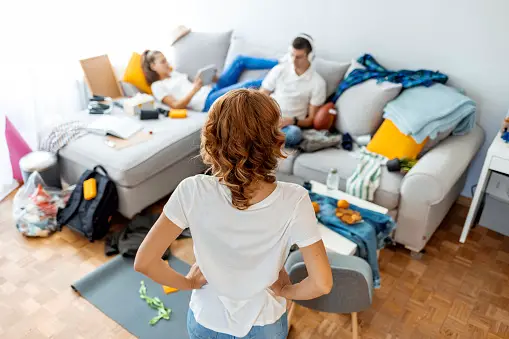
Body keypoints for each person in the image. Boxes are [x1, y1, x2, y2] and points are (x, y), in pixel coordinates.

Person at [134, 89, 333, 339]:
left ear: (212, 138)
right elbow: (322, 283)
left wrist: (189, 283)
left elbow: (144, 262)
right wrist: (285, 290)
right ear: (274, 141)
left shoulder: (191, 190)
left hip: (206, 320)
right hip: (265, 324)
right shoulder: (295, 200)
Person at [142, 50, 278, 113]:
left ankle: (280, 63)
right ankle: (281, 74)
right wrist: (195, 89)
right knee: (248, 85)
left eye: (166, 59)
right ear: (153, 67)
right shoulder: (157, 86)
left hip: (211, 89)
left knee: (239, 60)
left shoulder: (173, 73)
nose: (167, 63)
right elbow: (177, 106)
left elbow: (193, 86)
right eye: (163, 61)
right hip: (206, 102)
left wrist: (211, 78)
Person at [260, 34, 327, 147]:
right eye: (292, 55)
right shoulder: (279, 70)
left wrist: (291, 121)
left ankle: (260, 139)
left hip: (288, 126)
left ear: (310, 56)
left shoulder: (318, 83)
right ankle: (263, 137)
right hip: (268, 118)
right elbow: (261, 95)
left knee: (295, 134)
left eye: (299, 57)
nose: (293, 60)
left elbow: (311, 120)